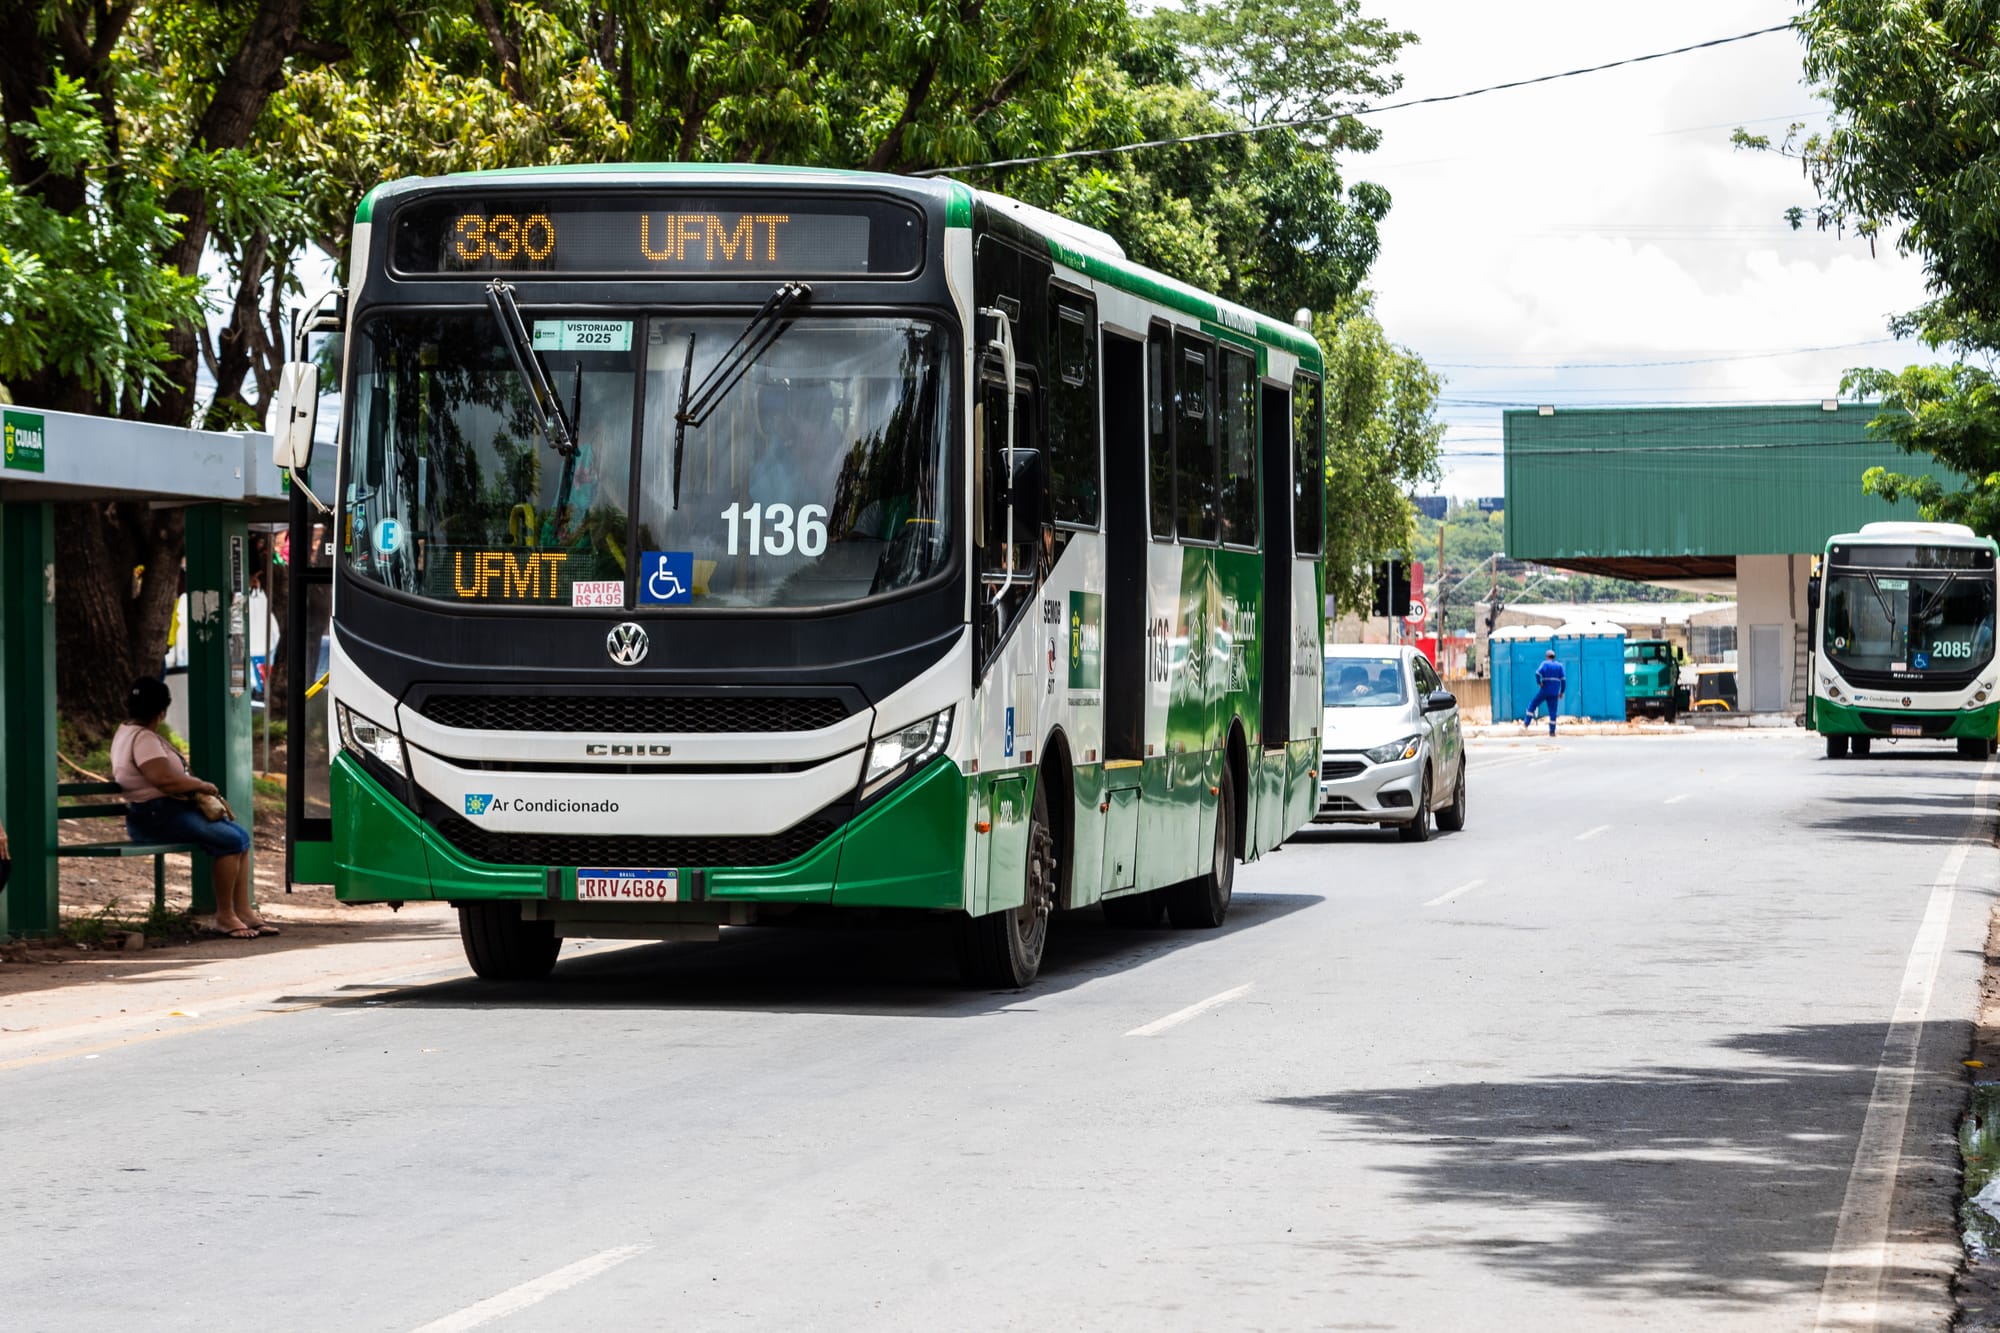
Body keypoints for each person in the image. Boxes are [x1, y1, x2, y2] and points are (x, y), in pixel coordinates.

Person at [112, 676, 271, 940]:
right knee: (232, 839)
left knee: (239, 837)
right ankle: (225, 915)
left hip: (158, 813)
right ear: (162, 711)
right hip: (157, 816)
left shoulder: (128, 732)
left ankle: (243, 911)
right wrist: (201, 784)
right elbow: (162, 779)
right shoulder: (144, 739)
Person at [1523, 648, 1565, 735]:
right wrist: (1562, 692)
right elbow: (1563, 680)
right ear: (1554, 657)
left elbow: (1537, 673)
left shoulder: (1545, 664)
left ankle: (1526, 723)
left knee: (1533, 704)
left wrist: (1539, 683)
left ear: (1547, 657)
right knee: (1553, 711)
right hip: (1554, 692)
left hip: (1545, 690)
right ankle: (1552, 732)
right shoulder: (1560, 666)